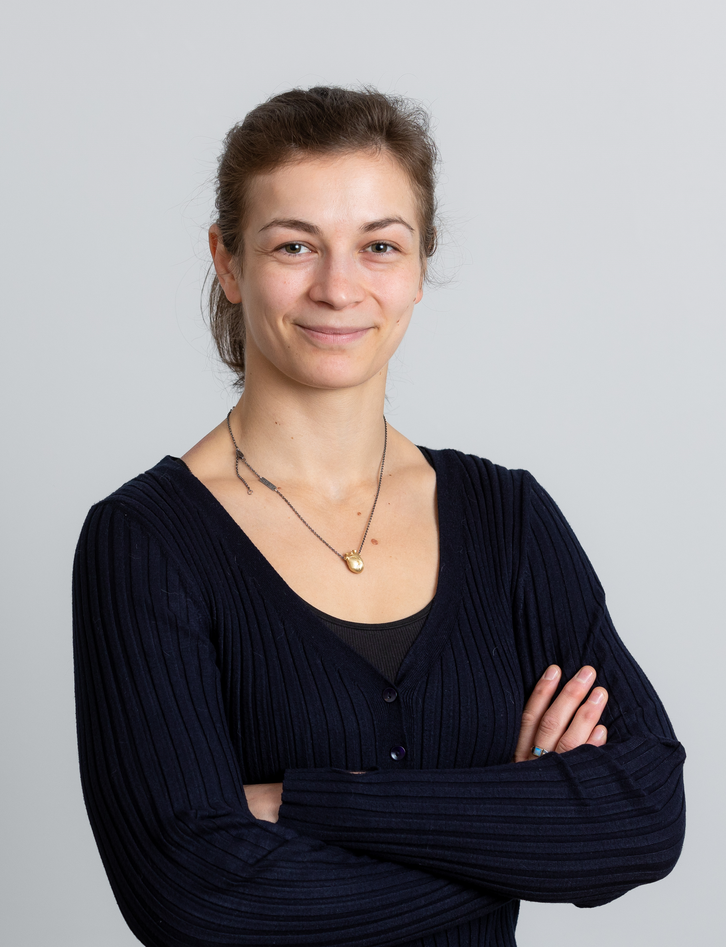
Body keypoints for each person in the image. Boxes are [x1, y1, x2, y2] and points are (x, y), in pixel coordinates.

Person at [72, 87, 685, 947]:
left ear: (419, 266)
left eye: (379, 246)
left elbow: (644, 812)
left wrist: (305, 802)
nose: (338, 287)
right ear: (228, 262)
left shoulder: (506, 518)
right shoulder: (146, 542)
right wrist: (518, 824)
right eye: (294, 245)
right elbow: (197, 898)